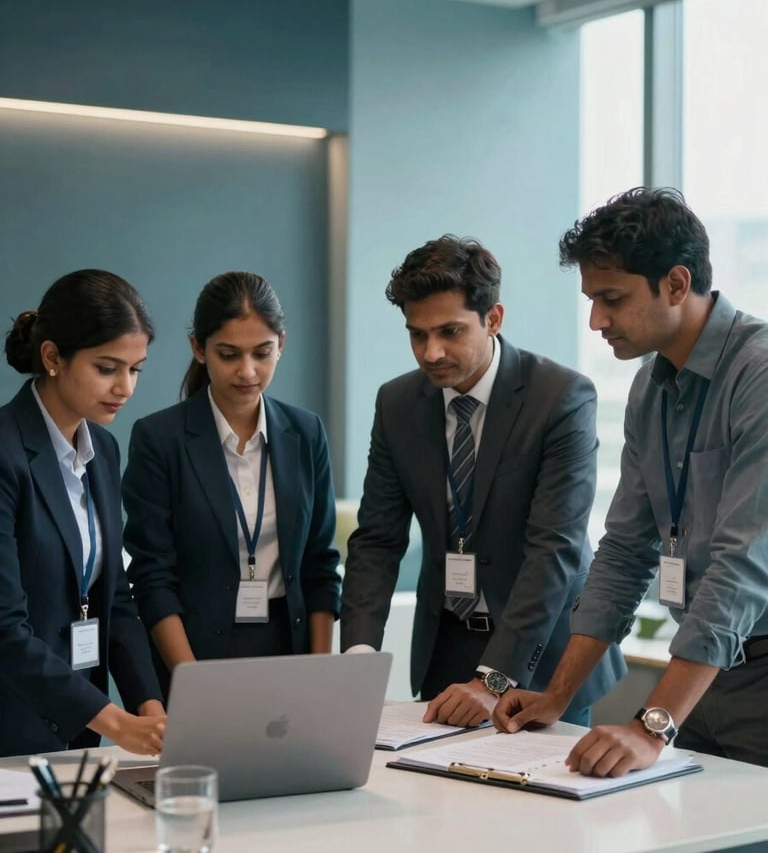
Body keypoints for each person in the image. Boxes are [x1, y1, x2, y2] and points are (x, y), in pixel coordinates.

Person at [493, 186, 768, 773]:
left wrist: (653, 724)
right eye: (592, 300)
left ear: (676, 283)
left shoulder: (759, 375)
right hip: (702, 675)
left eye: (611, 299)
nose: (597, 320)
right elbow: (624, 552)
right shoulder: (649, 388)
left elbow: (742, 564)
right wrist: (557, 696)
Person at [341, 235, 625, 727]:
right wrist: (359, 656)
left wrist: (494, 680)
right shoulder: (397, 404)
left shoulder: (561, 397)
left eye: (450, 331)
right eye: (417, 335)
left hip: (541, 663)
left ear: (493, 319)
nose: (431, 352)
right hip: (445, 651)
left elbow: (554, 548)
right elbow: (377, 540)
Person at [123, 271, 342, 696]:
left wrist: (319, 675)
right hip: (193, 655)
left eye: (262, 353)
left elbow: (319, 563)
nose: (247, 371)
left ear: (281, 343)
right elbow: (152, 577)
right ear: (198, 349)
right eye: (228, 354)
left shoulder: (306, 432)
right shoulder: (160, 439)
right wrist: (192, 681)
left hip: (290, 649)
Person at [0, 269, 166, 757]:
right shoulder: (5, 453)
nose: (126, 387)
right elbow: (4, 628)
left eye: (136, 369)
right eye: (108, 368)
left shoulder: (104, 451)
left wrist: (150, 706)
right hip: (11, 728)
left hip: (79, 730)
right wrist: (118, 722)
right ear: (53, 357)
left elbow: (113, 594)